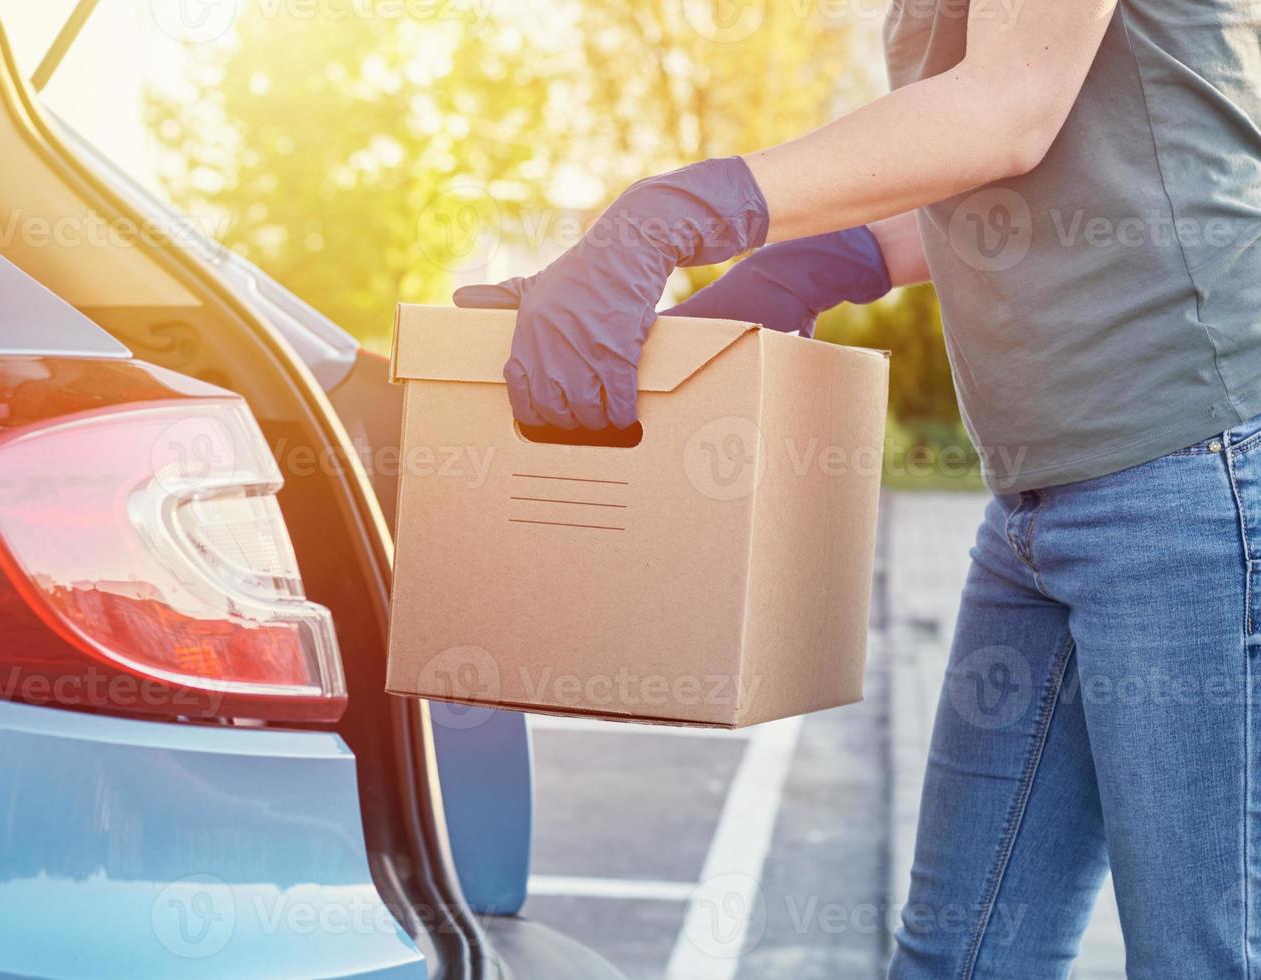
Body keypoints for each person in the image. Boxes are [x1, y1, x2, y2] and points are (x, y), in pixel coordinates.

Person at [455, 0, 1261, 975]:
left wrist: (673, 211)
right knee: (957, 954)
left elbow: (1009, 108)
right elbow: (990, 168)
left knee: (1198, 955)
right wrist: (813, 263)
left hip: (1192, 468)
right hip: (1038, 497)